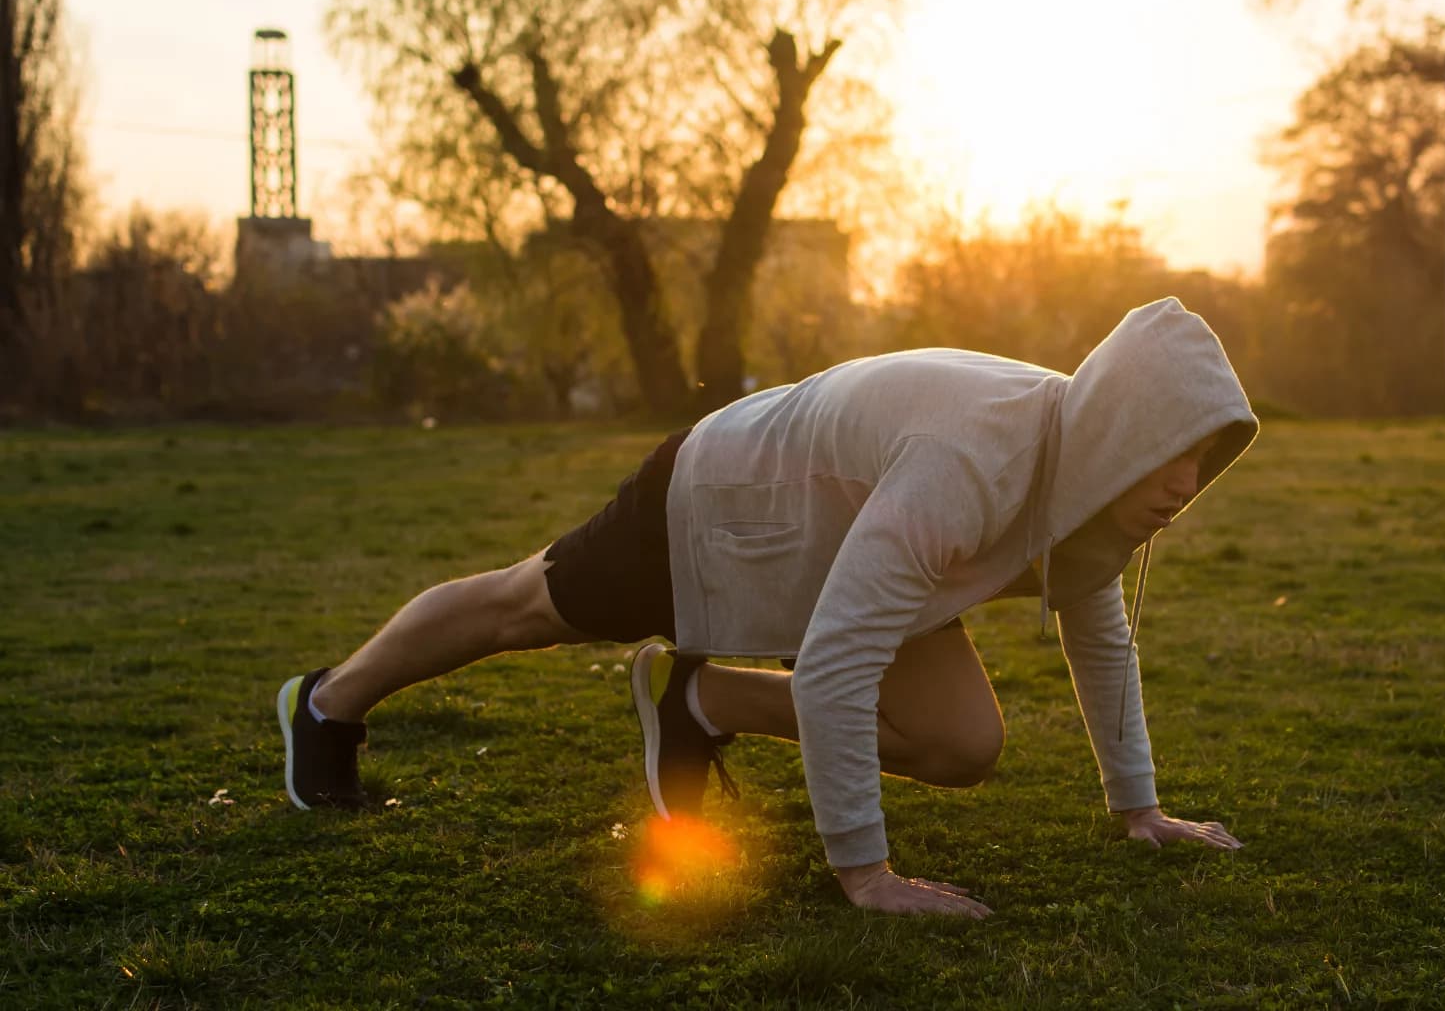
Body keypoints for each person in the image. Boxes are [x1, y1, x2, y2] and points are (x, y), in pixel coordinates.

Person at [277, 298, 1257, 918]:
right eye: (1168, 447)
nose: (1184, 481)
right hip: (721, 494)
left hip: (854, 527)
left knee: (961, 743)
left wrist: (1140, 807)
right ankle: (327, 702)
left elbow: (1097, 626)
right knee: (524, 606)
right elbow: (836, 667)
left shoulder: (1093, 480)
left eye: (1203, 455)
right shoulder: (974, 461)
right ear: (1118, 428)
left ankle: (700, 703)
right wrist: (864, 876)